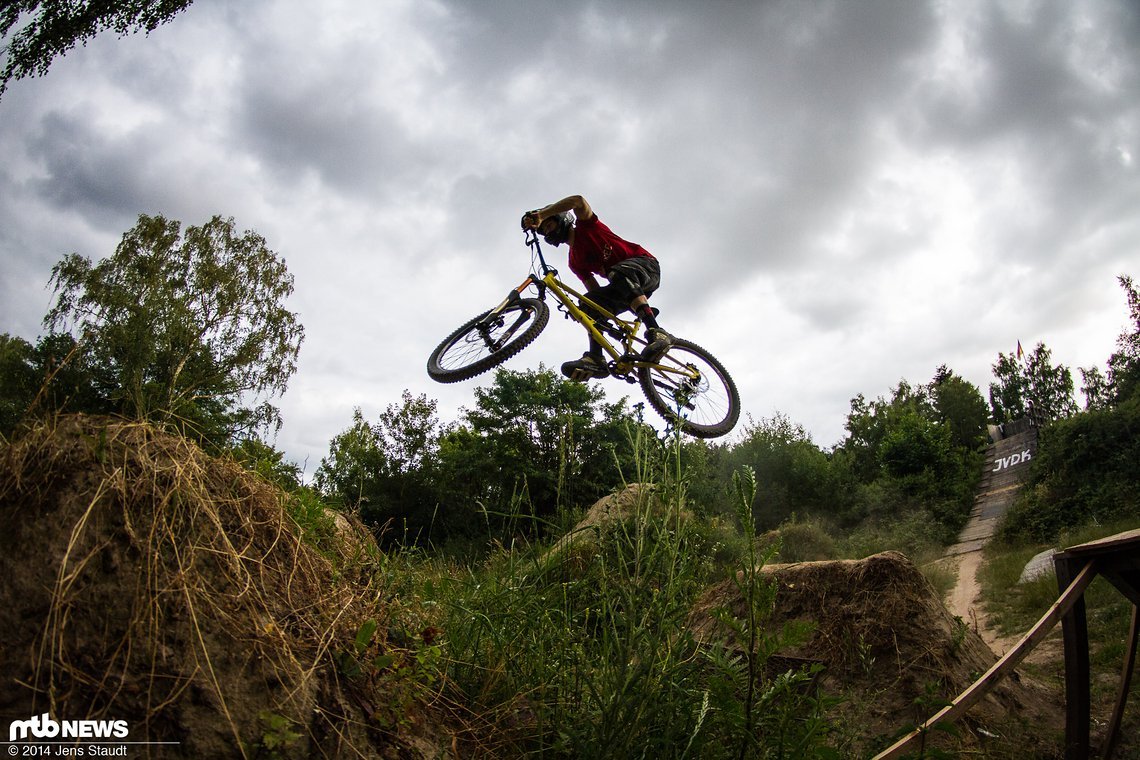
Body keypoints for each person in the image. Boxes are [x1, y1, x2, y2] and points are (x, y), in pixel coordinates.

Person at [521, 195, 672, 380]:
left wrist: (542, 214)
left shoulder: (586, 226)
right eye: (544, 230)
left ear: (561, 219)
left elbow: (578, 200)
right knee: (588, 303)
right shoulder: (574, 261)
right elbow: (594, 292)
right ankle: (596, 358)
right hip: (625, 285)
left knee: (615, 274)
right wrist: (593, 318)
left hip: (646, 267)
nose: (548, 231)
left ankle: (658, 332)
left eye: (549, 225)